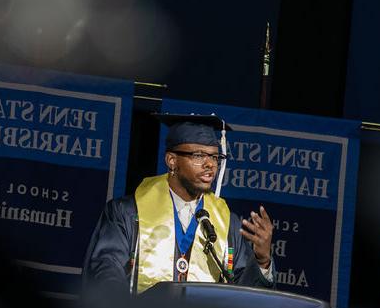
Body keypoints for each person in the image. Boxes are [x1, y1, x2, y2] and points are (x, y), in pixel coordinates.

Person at [83, 113, 276, 294]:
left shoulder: (227, 224)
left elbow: (246, 297)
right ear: (172, 161)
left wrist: (262, 260)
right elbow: (106, 269)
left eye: (215, 157)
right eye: (199, 156)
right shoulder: (127, 212)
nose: (210, 165)